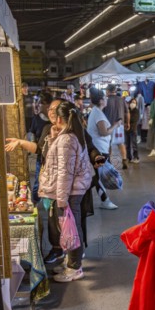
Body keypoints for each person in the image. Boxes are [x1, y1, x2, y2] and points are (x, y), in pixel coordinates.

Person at [38, 101, 93, 282]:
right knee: (70, 227)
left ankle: (75, 267)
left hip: (68, 192)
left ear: (60, 118)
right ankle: (72, 261)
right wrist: (54, 137)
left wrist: (62, 199)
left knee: (71, 229)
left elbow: (64, 172)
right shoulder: (67, 135)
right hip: (69, 191)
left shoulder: (67, 139)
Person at [87, 87, 122, 209]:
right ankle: (104, 200)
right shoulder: (98, 114)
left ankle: (81, 193)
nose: (107, 99)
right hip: (99, 150)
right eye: (105, 98)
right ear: (101, 100)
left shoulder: (97, 112)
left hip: (99, 149)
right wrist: (115, 125)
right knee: (98, 176)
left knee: (97, 175)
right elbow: (104, 132)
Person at [103, 84, 130, 170]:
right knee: (121, 143)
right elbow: (127, 112)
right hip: (120, 126)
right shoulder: (122, 100)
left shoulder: (105, 101)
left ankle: (108, 161)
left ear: (107, 91)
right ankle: (124, 160)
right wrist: (128, 123)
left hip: (109, 126)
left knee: (108, 144)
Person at [125, 97, 140, 163]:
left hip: (133, 129)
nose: (133, 104)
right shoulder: (127, 110)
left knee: (134, 145)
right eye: (132, 102)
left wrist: (128, 120)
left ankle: (136, 157)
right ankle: (129, 157)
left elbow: (135, 119)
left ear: (136, 104)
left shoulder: (136, 111)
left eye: (134, 102)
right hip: (126, 130)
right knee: (127, 145)